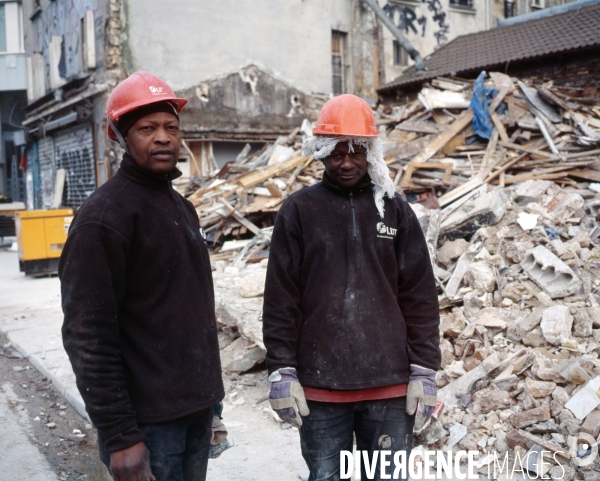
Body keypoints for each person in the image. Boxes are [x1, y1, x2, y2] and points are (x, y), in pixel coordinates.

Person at [262, 94, 441, 481]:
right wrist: (282, 370)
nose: (346, 162)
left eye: (356, 151)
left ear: (370, 152)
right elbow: (281, 298)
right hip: (320, 389)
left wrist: (424, 369)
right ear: (321, 153)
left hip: (389, 388)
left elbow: (420, 294)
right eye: (336, 152)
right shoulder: (298, 211)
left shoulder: (393, 208)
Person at [60, 71, 224, 481]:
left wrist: (212, 404)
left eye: (171, 127)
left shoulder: (181, 208)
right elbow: (87, 335)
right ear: (120, 137)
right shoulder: (103, 219)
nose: (164, 137)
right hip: (147, 425)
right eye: (147, 128)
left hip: (194, 411)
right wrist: (119, 435)